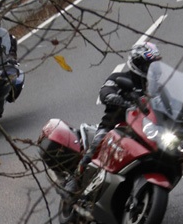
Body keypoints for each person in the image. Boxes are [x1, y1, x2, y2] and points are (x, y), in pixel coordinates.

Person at [65, 41, 162, 193]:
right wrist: (116, 98)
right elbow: (105, 92)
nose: (151, 69)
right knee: (97, 143)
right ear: (137, 63)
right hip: (114, 125)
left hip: (143, 128)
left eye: (153, 65)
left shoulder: (153, 86)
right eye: (147, 65)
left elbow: (164, 103)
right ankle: (75, 177)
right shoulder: (119, 78)